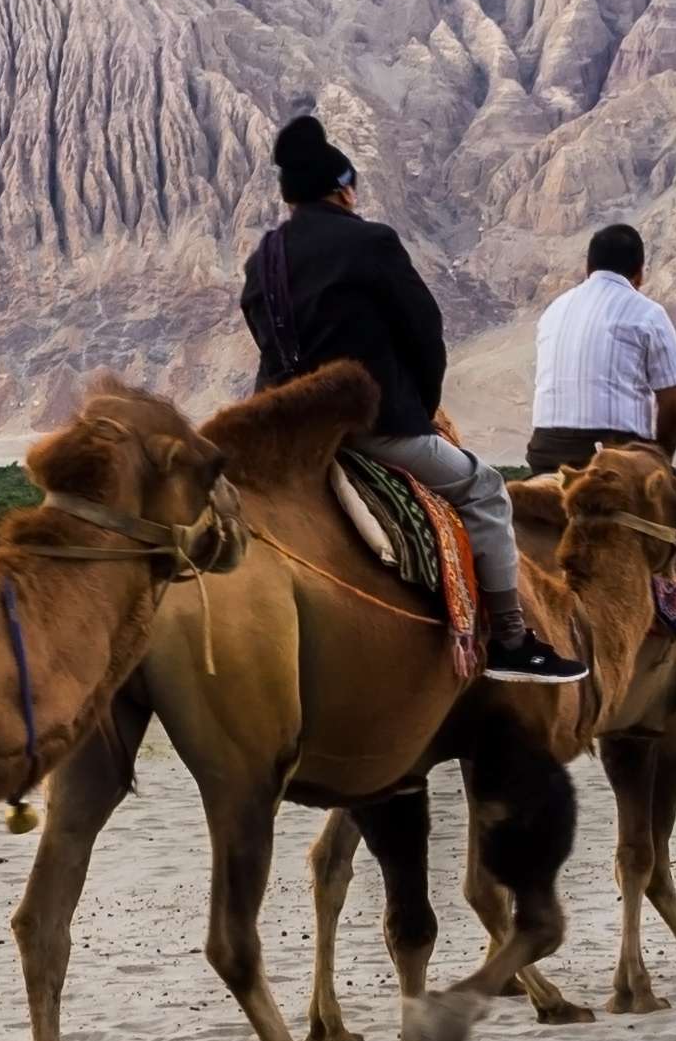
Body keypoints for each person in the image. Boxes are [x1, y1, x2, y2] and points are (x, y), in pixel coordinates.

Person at [239, 114, 585, 684]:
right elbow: (424, 332)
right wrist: (418, 410)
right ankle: (511, 639)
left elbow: (267, 345)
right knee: (486, 489)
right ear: (343, 188)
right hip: (372, 428)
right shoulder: (371, 241)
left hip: (283, 437)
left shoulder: (262, 262)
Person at [525, 223, 676, 477]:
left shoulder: (553, 310)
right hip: (615, 458)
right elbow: (675, 402)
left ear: (589, 268)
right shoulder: (648, 313)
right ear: (640, 274)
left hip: (546, 454)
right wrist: (661, 461)